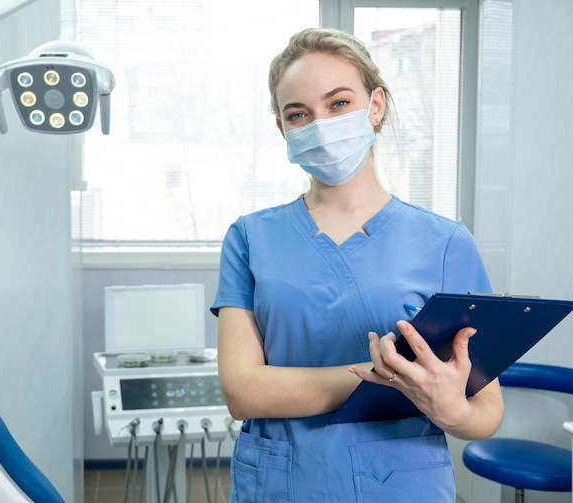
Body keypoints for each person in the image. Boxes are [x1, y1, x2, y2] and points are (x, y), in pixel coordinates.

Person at [210, 27, 504, 502]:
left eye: (339, 103)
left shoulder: (446, 243)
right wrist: (394, 377)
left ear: (376, 105)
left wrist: (450, 410)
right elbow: (244, 391)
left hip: (403, 483)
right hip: (283, 481)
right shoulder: (249, 238)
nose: (319, 123)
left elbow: (486, 409)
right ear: (284, 129)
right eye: (298, 113)